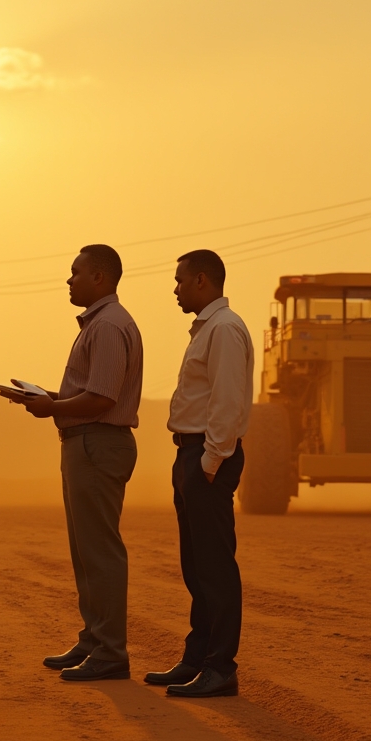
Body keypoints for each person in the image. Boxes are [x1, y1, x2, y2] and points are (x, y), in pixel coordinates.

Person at [4, 244, 143, 683]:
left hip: (97, 442)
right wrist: (50, 398)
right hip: (86, 441)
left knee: (99, 550)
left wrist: (52, 408)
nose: (69, 280)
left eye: (75, 272)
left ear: (99, 278)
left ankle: (110, 652)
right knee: (86, 551)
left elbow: (102, 398)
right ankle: (94, 640)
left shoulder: (107, 326)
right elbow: (92, 391)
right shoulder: (100, 324)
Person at [146, 249, 252, 698]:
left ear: (202, 281)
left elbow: (227, 404)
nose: (174, 288)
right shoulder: (209, 329)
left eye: (180, 280)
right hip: (191, 455)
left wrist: (209, 463)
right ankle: (197, 658)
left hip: (207, 458)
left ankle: (219, 666)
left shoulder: (224, 330)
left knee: (213, 566)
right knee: (196, 564)